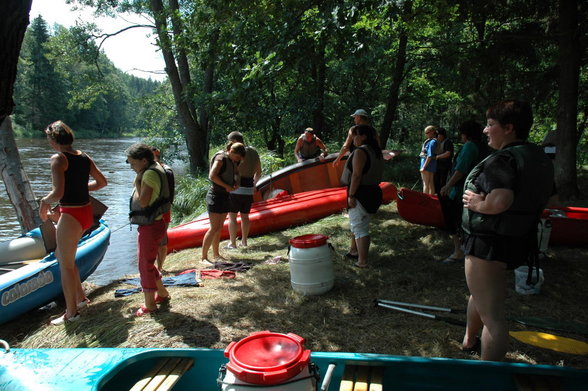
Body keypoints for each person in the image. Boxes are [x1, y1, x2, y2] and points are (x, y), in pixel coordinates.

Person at [460, 100, 554, 361]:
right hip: (517, 238)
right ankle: (469, 341)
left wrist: (478, 203)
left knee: (493, 315)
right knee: (480, 293)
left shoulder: (503, 159)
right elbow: (551, 199)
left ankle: (489, 376)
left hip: (489, 242)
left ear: (509, 128)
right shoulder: (537, 157)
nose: (486, 131)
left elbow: (500, 201)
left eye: (491, 125)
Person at [40, 121, 107, 325]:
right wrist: (82, 187)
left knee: (65, 266)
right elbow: (102, 182)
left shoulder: (58, 158)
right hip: (85, 213)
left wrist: (44, 202)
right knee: (64, 256)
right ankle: (81, 298)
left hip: (71, 215)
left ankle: (71, 314)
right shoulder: (84, 156)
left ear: (53, 140)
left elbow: (57, 193)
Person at [126, 143, 172, 316]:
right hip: (157, 224)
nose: (131, 167)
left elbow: (143, 202)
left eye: (132, 163)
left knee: (144, 265)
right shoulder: (154, 167)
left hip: (151, 226)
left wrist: (138, 181)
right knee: (148, 262)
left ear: (143, 160)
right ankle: (162, 293)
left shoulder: (149, 175)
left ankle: (149, 304)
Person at [438, 120, 489, 263]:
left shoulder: (469, 146)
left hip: (461, 191)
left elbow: (461, 170)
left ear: (465, 134)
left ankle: (458, 251)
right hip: (478, 191)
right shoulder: (485, 147)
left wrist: (447, 186)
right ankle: (467, 249)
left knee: (454, 221)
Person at [340, 124, 384, 268]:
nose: (353, 139)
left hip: (361, 193)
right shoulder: (376, 151)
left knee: (360, 228)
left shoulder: (361, 152)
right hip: (373, 192)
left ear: (363, 137)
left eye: (355, 135)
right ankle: (354, 252)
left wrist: (351, 195)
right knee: (360, 225)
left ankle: (362, 261)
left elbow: (357, 175)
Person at [201, 142, 247, 263]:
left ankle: (216, 254)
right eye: (237, 158)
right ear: (231, 152)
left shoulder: (233, 160)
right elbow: (212, 176)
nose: (237, 161)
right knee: (213, 228)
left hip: (224, 196)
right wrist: (227, 186)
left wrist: (237, 182)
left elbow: (237, 173)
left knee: (219, 227)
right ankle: (204, 257)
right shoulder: (221, 158)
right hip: (215, 196)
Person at [226, 132, 262, 248]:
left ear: (235, 141)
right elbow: (259, 172)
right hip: (248, 189)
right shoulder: (253, 152)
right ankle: (244, 241)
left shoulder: (235, 154)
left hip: (235, 189)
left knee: (232, 217)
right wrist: (254, 185)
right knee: (245, 217)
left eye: (230, 142)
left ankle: (232, 243)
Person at [151, 147, 174, 272]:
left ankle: (159, 267)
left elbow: (169, 196)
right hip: (153, 210)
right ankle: (154, 267)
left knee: (162, 239)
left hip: (163, 210)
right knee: (154, 239)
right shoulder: (148, 170)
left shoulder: (166, 171)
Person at [433, 127, 454, 193]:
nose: (436, 137)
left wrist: (437, 157)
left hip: (445, 167)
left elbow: (448, 153)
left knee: (442, 183)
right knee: (436, 182)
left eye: (437, 135)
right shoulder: (438, 142)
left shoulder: (448, 142)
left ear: (442, 135)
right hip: (438, 166)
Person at [419, 125, 438, 194]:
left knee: (425, 183)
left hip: (427, 165)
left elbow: (429, 156)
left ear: (433, 132)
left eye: (427, 133)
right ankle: (431, 200)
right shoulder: (434, 141)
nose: (426, 134)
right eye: (425, 133)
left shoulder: (432, 142)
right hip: (431, 165)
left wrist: (423, 167)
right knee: (430, 183)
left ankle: (425, 200)